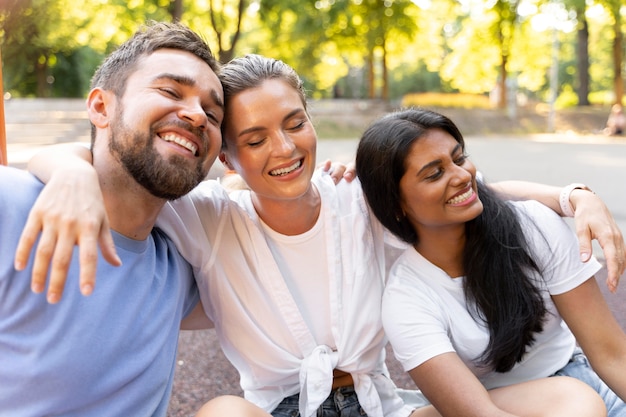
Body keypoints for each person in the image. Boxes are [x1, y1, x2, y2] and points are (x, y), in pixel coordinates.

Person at [18, 55, 624, 417]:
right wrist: (71, 170)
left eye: (294, 124)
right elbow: (112, 165)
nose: (283, 150)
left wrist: (572, 195)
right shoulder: (204, 217)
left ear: (311, 124)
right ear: (227, 158)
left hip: (382, 406)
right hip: (278, 408)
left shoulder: (364, 203)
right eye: (254, 140)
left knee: (573, 403)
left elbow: (468, 188)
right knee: (222, 411)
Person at [0, 21, 272, 417]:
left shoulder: (178, 265)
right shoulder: (11, 204)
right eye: (169, 91)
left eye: (213, 114)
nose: (197, 116)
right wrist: (72, 170)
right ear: (100, 107)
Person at [355, 107, 626, 416]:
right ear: (396, 205)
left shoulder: (534, 226)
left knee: (582, 402)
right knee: (579, 406)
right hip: (476, 405)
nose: (462, 176)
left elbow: (612, 355)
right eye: (434, 173)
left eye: (459, 158)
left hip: (579, 380)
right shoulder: (407, 298)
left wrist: (577, 196)